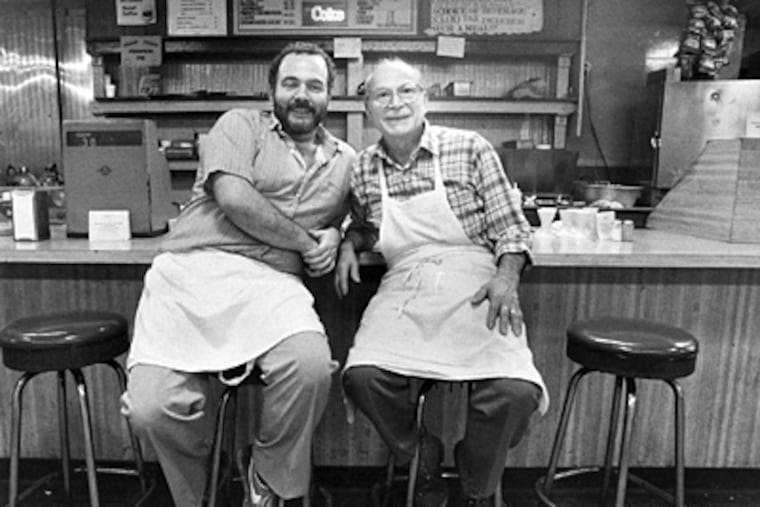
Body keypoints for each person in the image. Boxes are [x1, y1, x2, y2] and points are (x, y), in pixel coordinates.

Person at [121, 42, 356, 507]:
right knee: (151, 408)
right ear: (272, 91)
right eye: (291, 84)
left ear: (331, 95)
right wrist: (311, 242)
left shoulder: (347, 160)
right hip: (193, 271)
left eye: (314, 85)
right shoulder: (239, 125)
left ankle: (266, 479)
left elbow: (366, 216)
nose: (302, 95)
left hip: (272, 284)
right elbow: (234, 198)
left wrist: (342, 236)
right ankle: (203, 485)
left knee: (311, 369)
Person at [335, 58, 549, 507]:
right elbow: (366, 224)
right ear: (368, 108)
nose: (396, 104)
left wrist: (507, 276)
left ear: (425, 98)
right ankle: (423, 459)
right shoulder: (362, 168)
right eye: (382, 95)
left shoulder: (469, 147)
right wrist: (349, 242)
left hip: (476, 281)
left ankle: (475, 476)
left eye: (406, 92)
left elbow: (512, 228)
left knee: (514, 392)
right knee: (363, 377)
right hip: (405, 284)